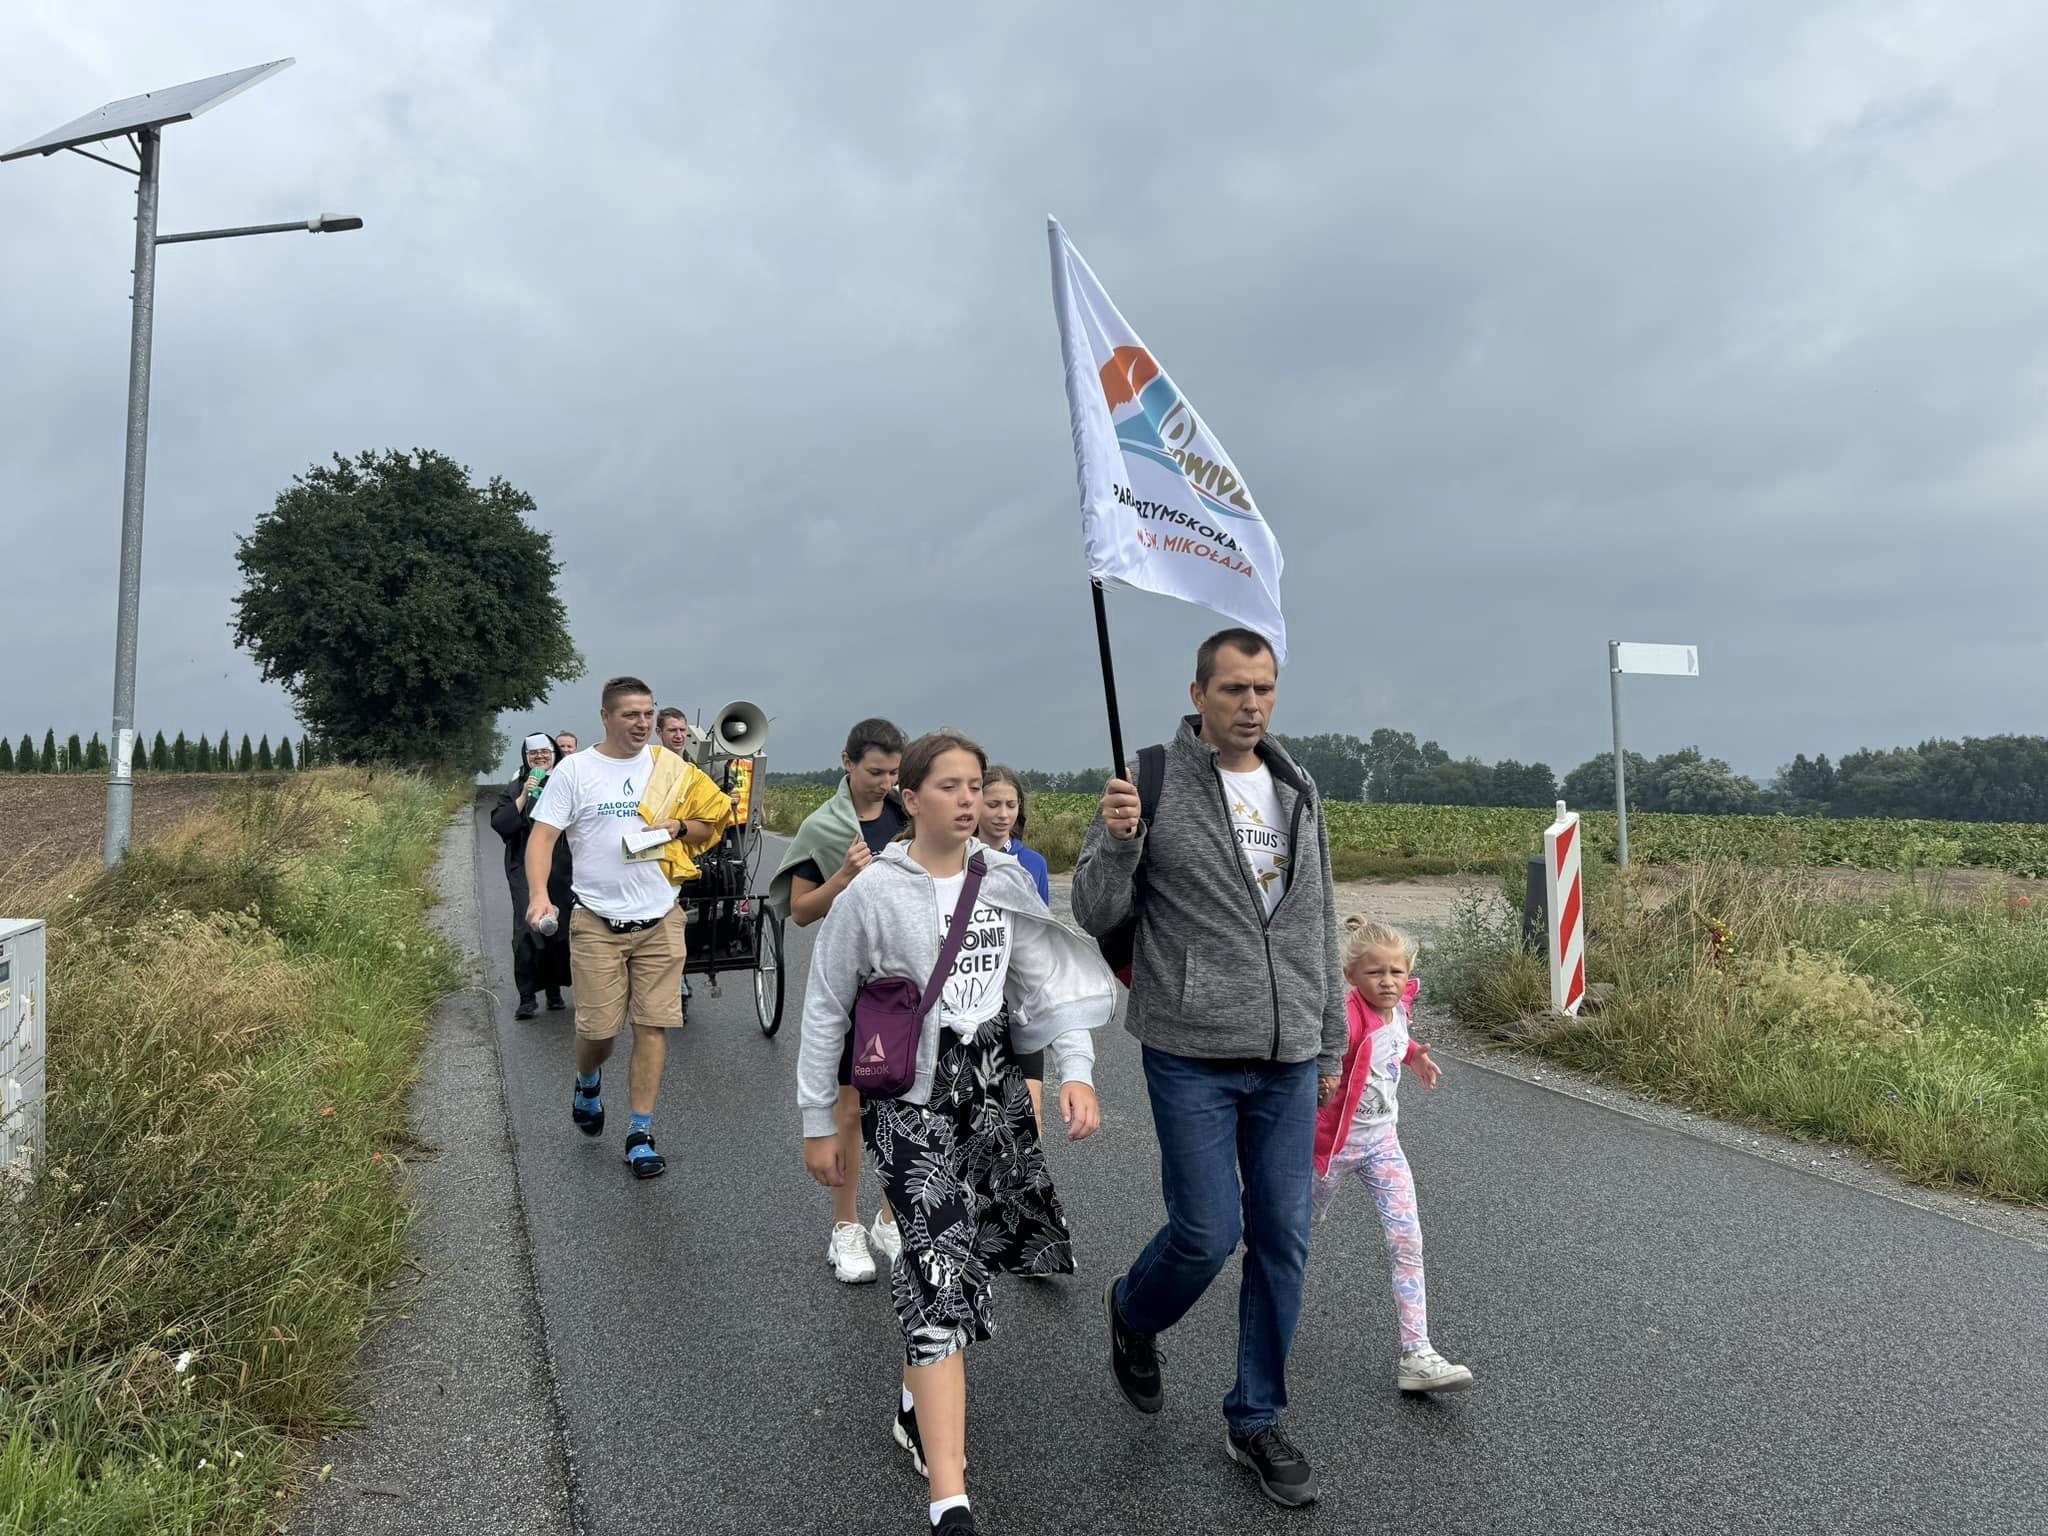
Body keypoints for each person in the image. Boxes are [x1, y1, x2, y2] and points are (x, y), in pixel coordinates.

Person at [798, 731, 1114, 1536]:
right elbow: (826, 1006)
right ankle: (950, 1495)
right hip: (910, 1097)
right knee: (940, 1268)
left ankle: (914, 1405)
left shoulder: (1003, 876)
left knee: (966, 1253)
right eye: (949, 786)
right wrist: (816, 1120)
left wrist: (1076, 1070)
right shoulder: (873, 892)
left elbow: (1046, 983)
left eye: (976, 785)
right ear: (910, 799)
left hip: (991, 1087)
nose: (969, 799)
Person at [1071, 627, 1347, 1511]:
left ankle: (1256, 1418)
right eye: (1233, 689)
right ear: (1198, 695)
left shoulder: (1297, 786)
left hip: (1288, 1055)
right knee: (1205, 1233)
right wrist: (1122, 842)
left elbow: (1319, 919)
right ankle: (1133, 1310)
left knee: (1283, 1239)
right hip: (1189, 1047)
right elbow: (1094, 911)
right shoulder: (1149, 781)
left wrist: (1331, 1042)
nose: (1251, 704)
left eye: (1263, 688)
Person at [526, 677, 728, 1180]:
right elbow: (543, 836)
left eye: (648, 714)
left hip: (661, 918)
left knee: (652, 1026)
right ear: (606, 717)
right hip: (597, 921)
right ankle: (588, 1080)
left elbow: (709, 824)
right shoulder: (576, 770)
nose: (642, 724)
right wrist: (538, 895)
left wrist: (678, 827)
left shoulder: (671, 768)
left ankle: (640, 1133)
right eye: (631, 715)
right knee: (598, 1033)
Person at [767, 717, 909, 1285]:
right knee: (850, 1109)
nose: (886, 782)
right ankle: (845, 1226)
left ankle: (890, 1219)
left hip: (909, 979)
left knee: (905, 1103)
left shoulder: (910, 813)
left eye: (894, 772)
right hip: (854, 982)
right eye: (875, 771)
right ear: (847, 763)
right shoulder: (823, 827)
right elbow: (801, 911)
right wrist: (844, 877)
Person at [1314, 919, 1473, 1394]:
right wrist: (1321, 1082)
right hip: (1330, 1149)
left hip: (1383, 1145)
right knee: (1291, 1234)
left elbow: (1396, 1041)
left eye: (1396, 972)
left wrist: (1416, 1054)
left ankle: (1417, 1353)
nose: (1388, 982)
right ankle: (1261, 1271)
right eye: (1375, 973)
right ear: (1351, 976)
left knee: (1407, 1241)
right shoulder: (1345, 1020)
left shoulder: (1399, 1007)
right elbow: (1318, 1056)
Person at [978, 765, 1051, 1132]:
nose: (1003, 814)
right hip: (975, 1005)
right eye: (993, 804)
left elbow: (1043, 935)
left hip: (1021, 1005)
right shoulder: (957, 860)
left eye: (1010, 804)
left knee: (1030, 1119)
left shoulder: (1034, 864)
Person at [490, 732, 573, 1019]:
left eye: (544, 752)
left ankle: (553, 989)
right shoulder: (515, 787)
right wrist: (525, 795)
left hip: (561, 867)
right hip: (523, 867)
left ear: (554, 754)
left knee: (558, 928)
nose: (539, 757)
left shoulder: (565, 783)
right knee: (528, 928)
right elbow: (501, 824)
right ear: (526, 758)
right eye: (533, 753)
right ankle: (527, 996)